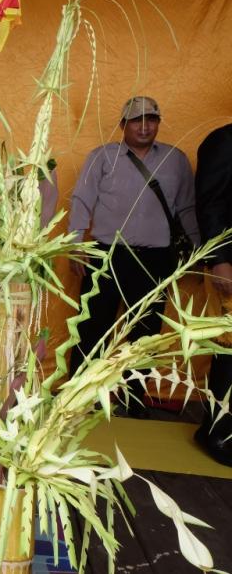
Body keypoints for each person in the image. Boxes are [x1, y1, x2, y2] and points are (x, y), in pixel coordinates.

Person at [68, 96, 200, 418]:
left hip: (156, 260)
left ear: (158, 122)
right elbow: (82, 200)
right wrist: (74, 244)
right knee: (92, 328)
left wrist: (198, 251)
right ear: (122, 125)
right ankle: (79, 399)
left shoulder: (175, 159)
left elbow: (186, 208)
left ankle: (134, 401)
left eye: (152, 119)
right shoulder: (102, 157)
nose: (145, 125)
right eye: (137, 119)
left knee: (145, 334)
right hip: (106, 256)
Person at [194, 122, 232, 465]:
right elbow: (210, 204)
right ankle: (216, 431)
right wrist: (219, 261)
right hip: (231, 266)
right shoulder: (224, 140)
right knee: (229, 349)